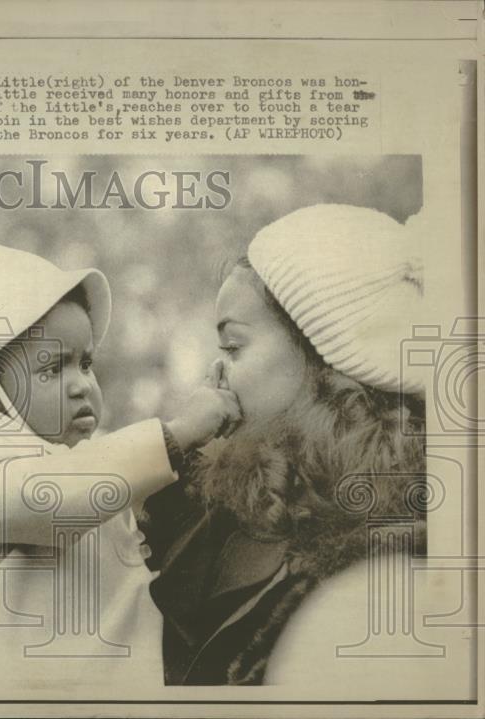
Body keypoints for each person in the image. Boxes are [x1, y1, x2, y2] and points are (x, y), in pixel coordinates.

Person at [0, 243, 240, 687]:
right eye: (53, 369)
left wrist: (206, 442)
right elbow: (51, 500)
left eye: (86, 362)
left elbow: (121, 491)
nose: (82, 384)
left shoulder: (85, 457)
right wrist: (175, 435)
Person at [144, 204, 429, 686]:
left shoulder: (403, 542)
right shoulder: (208, 500)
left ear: (322, 353)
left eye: (233, 348)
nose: (215, 376)